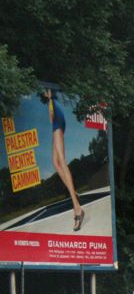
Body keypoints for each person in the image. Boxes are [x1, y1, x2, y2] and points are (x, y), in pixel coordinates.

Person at [43, 88, 84, 231]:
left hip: (58, 127)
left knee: (61, 160)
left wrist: (49, 100)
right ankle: (73, 190)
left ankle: (77, 209)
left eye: (46, 92)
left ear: (49, 93)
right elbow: (52, 118)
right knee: (55, 162)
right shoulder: (53, 104)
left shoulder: (51, 102)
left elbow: (51, 116)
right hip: (57, 126)